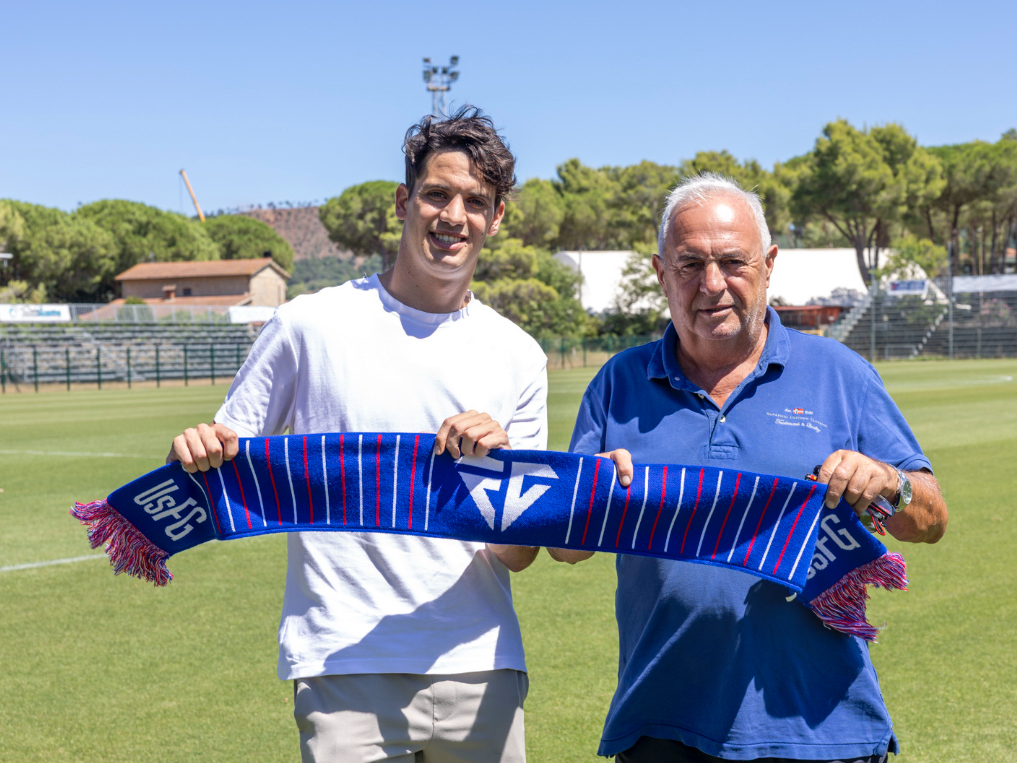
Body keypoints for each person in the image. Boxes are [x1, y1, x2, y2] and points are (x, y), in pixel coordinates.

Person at [167, 108, 547, 763]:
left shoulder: (519, 354)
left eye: (476, 202)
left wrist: (501, 468)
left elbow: (519, 553)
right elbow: (219, 460)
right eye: (437, 194)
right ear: (403, 201)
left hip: (483, 665)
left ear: (497, 218)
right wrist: (194, 452)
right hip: (344, 664)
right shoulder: (308, 326)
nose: (454, 215)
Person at [559, 173, 948, 763]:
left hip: (821, 729)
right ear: (662, 274)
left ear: (768, 265)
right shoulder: (618, 382)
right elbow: (565, 549)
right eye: (690, 264)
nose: (712, 284)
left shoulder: (839, 372)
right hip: (663, 725)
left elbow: (931, 517)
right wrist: (590, 496)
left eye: (733, 262)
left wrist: (890, 484)